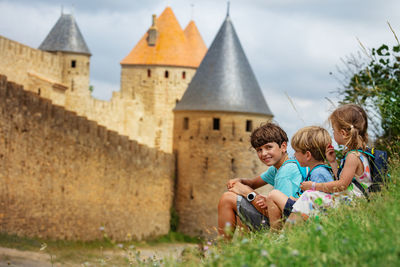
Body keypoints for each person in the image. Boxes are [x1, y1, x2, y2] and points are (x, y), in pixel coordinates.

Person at [217, 122, 306, 239]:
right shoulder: (278, 168)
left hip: (286, 226)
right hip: (281, 220)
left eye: (269, 147)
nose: (264, 153)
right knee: (234, 197)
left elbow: (281, 214)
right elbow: (252, 183)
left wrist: (247, 193)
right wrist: (239, 181)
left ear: (283, 147)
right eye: (259, 150)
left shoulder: (286, 172)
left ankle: (222, 250)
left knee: (228, 198)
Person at [289, 104, 372, 222]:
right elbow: (345, 181)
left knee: (308, 196)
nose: (332, 133)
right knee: (310, 198)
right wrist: (332, 162)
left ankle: (286, 235)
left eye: (334, 130)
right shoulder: (359, 154)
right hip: (350, 201)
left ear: (343, 133)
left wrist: (313, 186)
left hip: (353, 204)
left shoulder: (353, 156)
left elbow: (342, 185)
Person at [256, 126, 335, 231]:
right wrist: (296, 199)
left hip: (311, 218)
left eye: (296, 151)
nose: (294, 154)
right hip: (307, 211)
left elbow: (321, 201)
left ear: (307, 155)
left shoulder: (318, 173)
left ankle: (275, 233)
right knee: (272, 196)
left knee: (273, 195)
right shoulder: (315, 171)